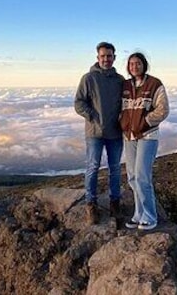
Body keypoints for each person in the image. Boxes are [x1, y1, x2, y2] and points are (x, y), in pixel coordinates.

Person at [74, 41, 125, 224]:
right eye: (103, 56)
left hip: (115, 132)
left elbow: (126, 103)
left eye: (109, 56)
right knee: (93, 167)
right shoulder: (88, 78)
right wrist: (93, 116)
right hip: (94, 132)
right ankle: (91, 204)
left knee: (115, 169)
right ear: (98, 58)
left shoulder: (120, 81)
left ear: (114, 58)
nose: (106, 59)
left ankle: (115, 203)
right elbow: (79, 102)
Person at [119, 51, 169, 231]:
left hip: (148, 136)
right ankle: (138, 214)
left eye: (137, 63)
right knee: (132, 177)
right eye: (131, 64)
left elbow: (163, 109)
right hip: (129, 136)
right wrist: (122, 122)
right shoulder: (125, 85)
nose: (134, 67)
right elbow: (120, 107)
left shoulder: (154, 84)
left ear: (144, 64)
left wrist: (144, 122)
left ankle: (150, 216)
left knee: (142, 176)